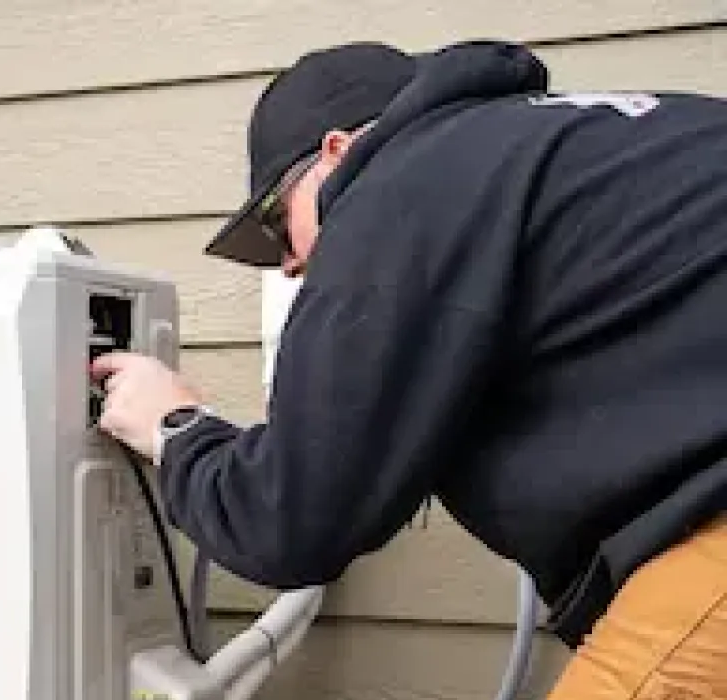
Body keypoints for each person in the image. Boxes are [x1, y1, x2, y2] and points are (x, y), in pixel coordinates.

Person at [90, 40, 727, 698]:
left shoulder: (401, 182)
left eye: (281, 228)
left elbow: (290, 523)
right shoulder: (583, 138)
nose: (288, 266)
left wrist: (176, 426)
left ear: (338, 153)